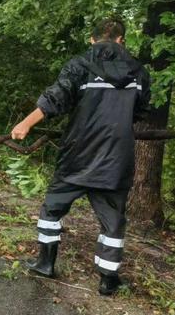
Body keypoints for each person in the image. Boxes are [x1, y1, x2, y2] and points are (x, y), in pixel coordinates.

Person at [10, 17, 150, 295]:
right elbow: (140, 110)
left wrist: (25, 123)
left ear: (92, 39)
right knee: (113, 219)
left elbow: (56, 97)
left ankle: (45, 264)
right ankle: (108, 280)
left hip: (78, 153)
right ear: (121, 40)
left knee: (53, 207)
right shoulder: (138, 72)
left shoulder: (81, 64)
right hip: (116, 157)